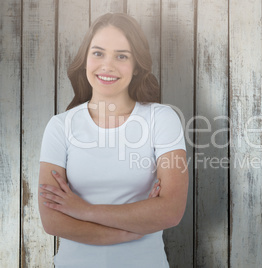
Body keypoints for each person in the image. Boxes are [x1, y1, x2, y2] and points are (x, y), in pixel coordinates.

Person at [38, 13, 188, 267]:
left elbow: (170, 211)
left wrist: (83, 210)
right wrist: (128, 231)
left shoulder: (161, 119)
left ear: (137, 65)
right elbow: (53, 221)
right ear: (85, 59)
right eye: (98, 53)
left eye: (121, 56)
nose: (107, 66)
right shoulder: (60, 126)